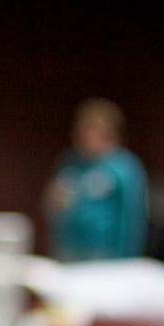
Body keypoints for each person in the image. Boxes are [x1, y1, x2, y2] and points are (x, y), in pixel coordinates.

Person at [43, 98, 148, 262]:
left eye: (91, 129)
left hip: (103, 253)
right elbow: (52, 209)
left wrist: (125, 260)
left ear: (108, 132)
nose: (83, 135)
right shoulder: (69, 162)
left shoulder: (124, 168)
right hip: (68, 248)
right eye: (81, 129)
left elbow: (131, 219)